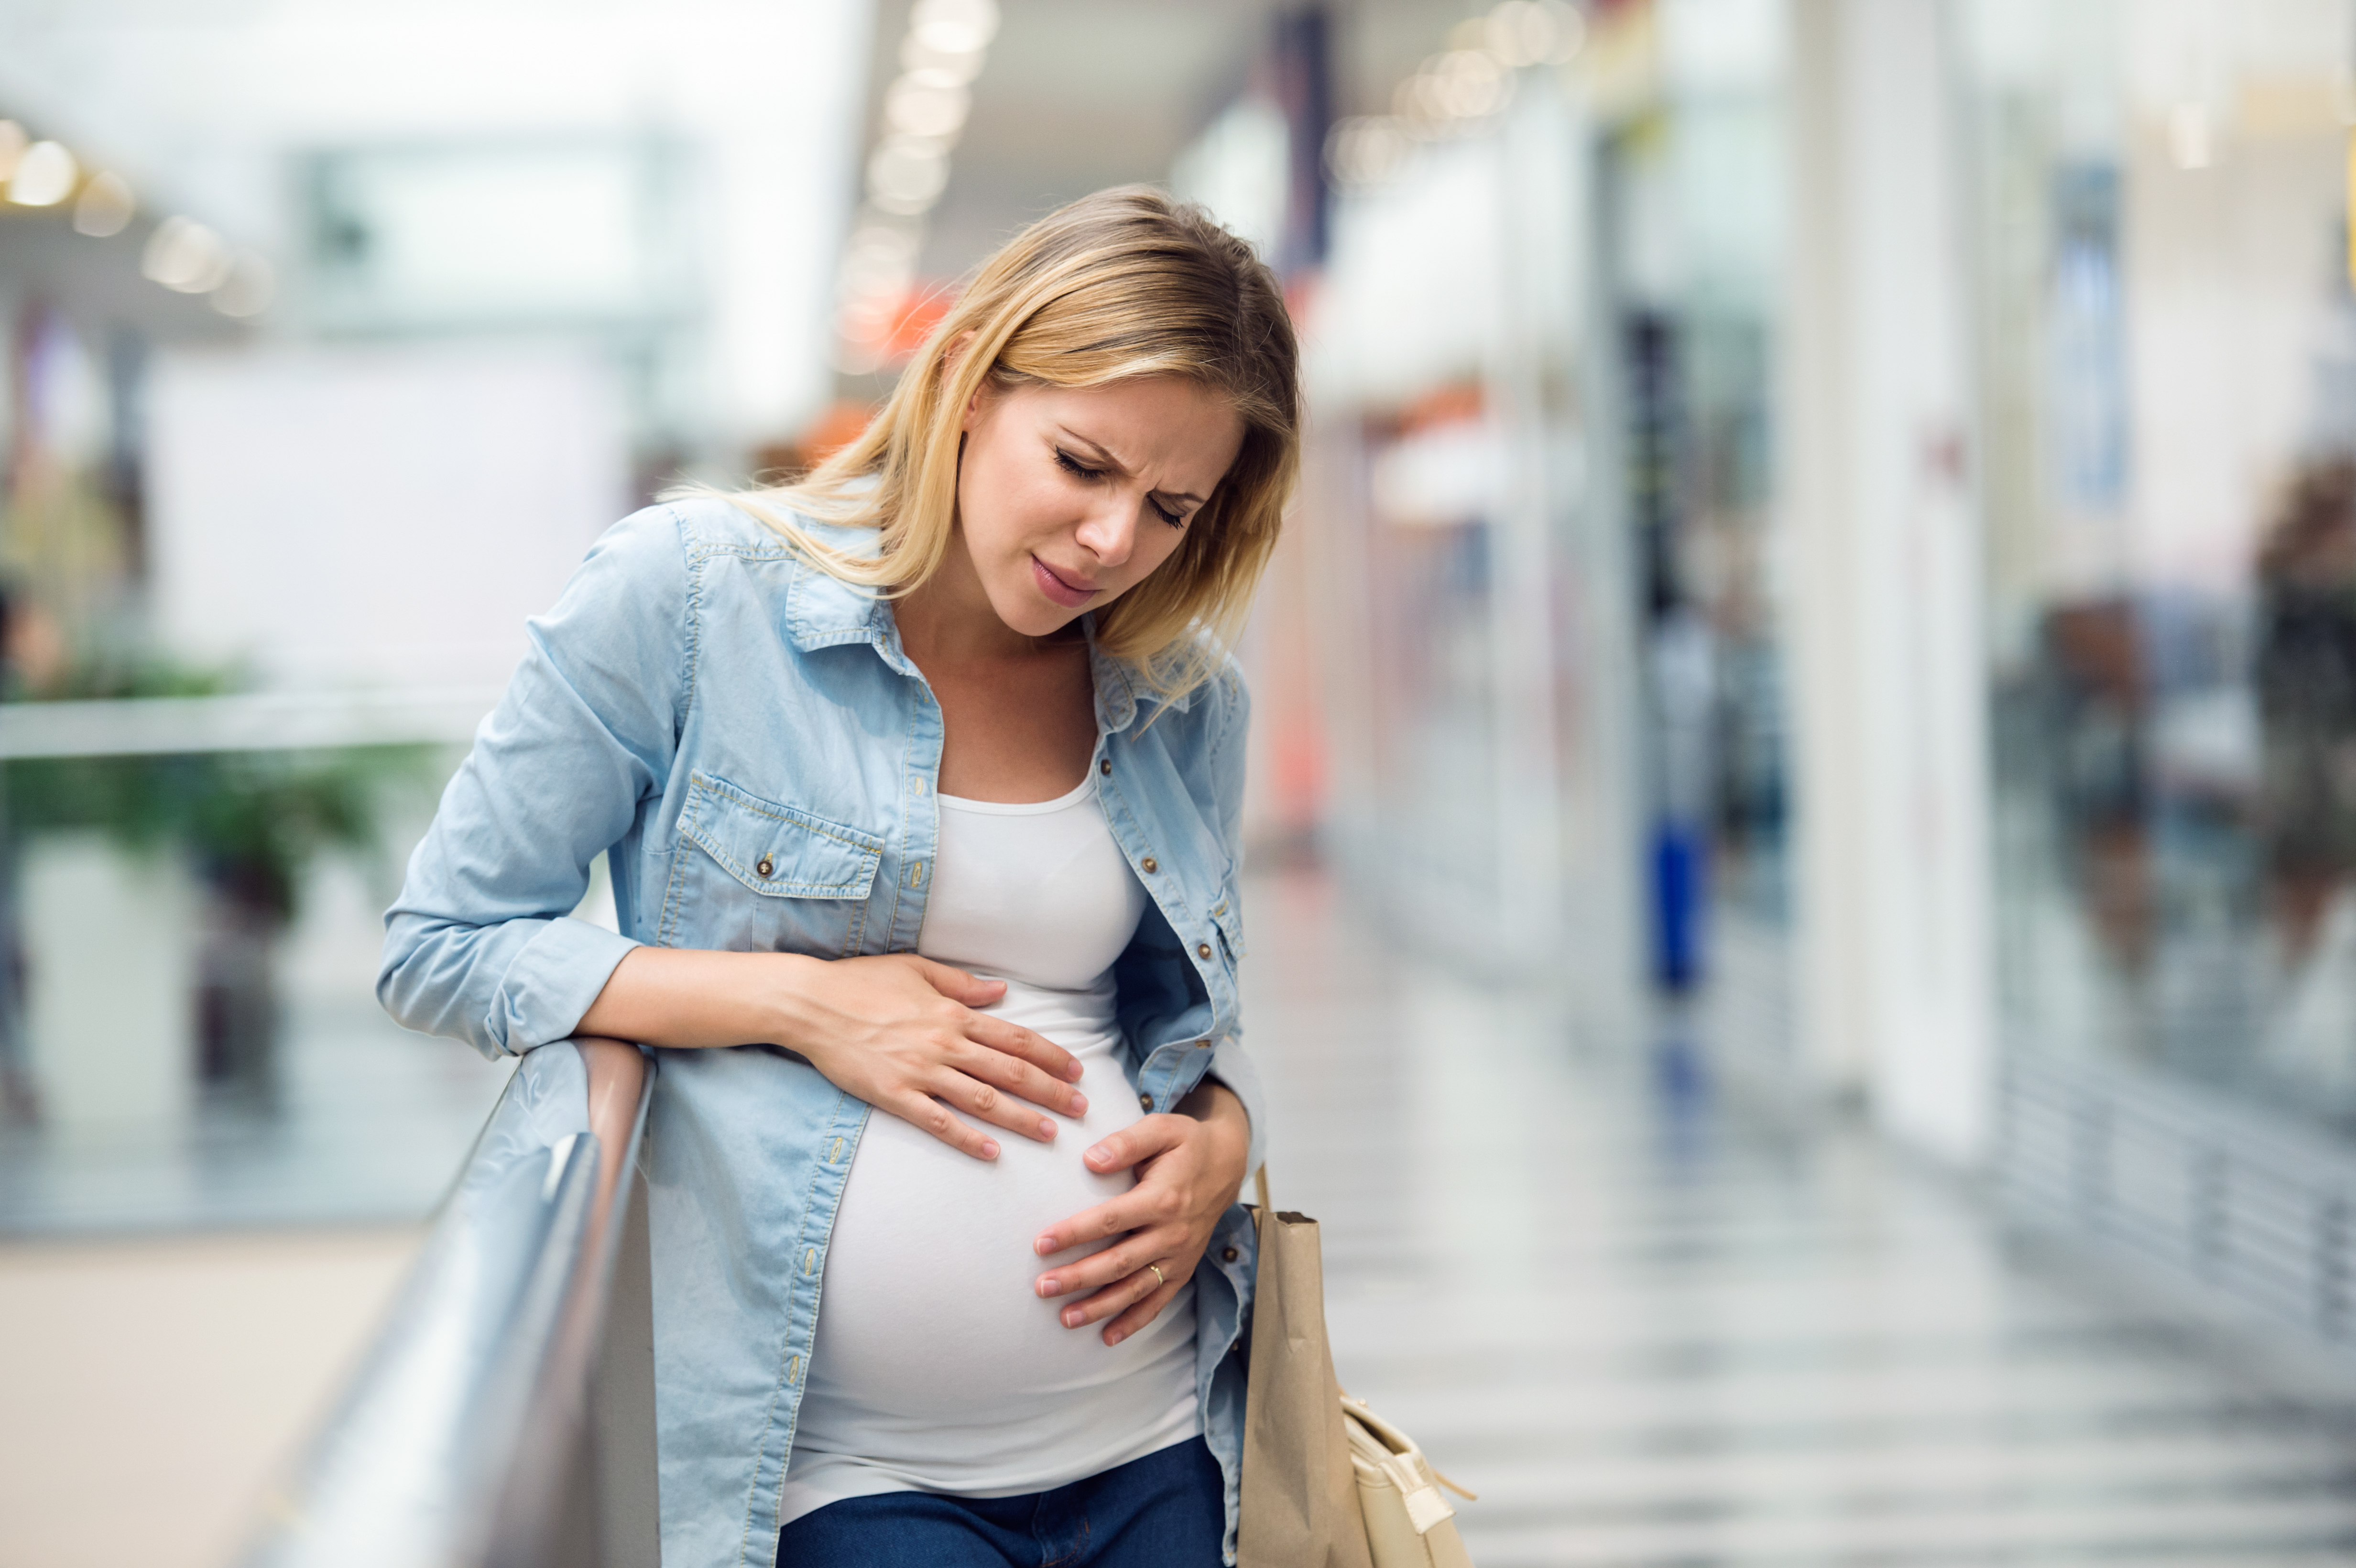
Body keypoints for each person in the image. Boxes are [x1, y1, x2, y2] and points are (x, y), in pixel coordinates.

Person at [377, 186, 1298, 1568]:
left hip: (1158, 1439)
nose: (1116, 542)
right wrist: (799, 1004)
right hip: (840, 1474)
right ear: (974, 379)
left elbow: (1188, 1024)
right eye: (1083, 464)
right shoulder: (688, 596)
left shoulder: (1182, 697)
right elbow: (441, 944)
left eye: (1172, 508)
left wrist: (1227, 1140)